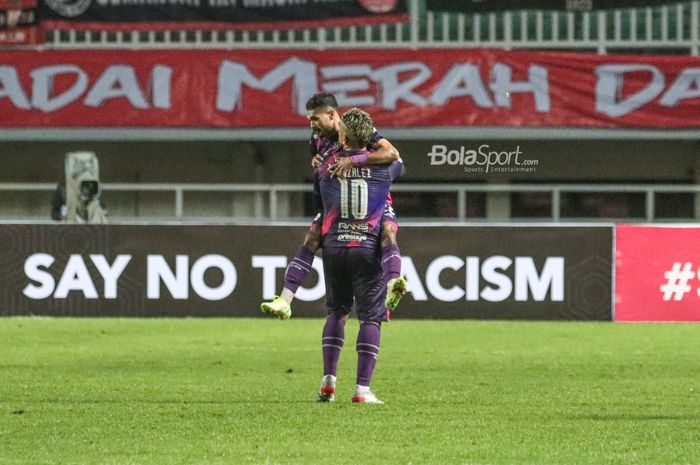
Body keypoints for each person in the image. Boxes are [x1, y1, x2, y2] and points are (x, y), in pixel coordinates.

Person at [260, 93, 406, 320]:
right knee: (312, 236)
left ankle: (392, 285)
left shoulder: (358, 129)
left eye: (315, 119)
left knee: (387, 232)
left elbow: (393, 154)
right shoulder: (316, 139)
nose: (311, 124)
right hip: (338, 203)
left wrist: (354, 160)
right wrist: (317, 164)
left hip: (372, 199)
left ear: (331, 114)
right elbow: (321, 167)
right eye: (309, 119)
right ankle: (285, 299)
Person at [314, 108, 405, 404]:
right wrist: (369, 146)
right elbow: (396, 159)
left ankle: (328, 382)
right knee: (371, 318)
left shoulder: (326, 166)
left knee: (336, 312)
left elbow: (321, 193)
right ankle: (362, 389)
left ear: (342, 134)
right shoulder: (385, 168)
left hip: (335, 247)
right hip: (366, 247)